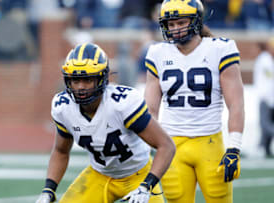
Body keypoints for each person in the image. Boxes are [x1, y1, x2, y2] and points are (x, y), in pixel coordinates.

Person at [36, 43, 176, 203]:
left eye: (87, 79)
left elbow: (166, 146)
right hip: (99, 174)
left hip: (138, 174)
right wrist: (48, 189)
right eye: (75, 80)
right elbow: (61, 151)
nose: (81, 87)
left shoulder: (122, 104)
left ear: (101, 79)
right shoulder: (63, 107)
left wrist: (147, 185)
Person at [144, 0, 245, 203]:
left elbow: (236, 104)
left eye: (180, 22)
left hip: (209, 142)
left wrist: (234, 148)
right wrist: (145, 149)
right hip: (171, 146)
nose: (175, 29)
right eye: (170, 24)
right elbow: (150, 110)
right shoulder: (157, 53)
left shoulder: (220, 49)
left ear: (196, 20)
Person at [253, 38, 274, 158]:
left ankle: (265, 148)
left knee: (267, 125)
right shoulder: (264, 59)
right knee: (265, 125)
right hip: (265, 97)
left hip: (272, 98)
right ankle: (261, 147)